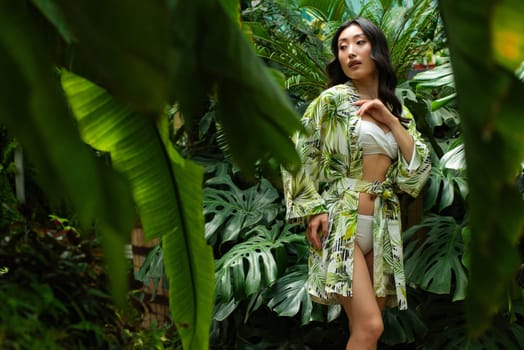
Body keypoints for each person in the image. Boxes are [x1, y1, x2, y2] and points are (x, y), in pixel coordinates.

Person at [281, 17, 431, 349]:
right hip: (342, 221)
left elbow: (417, 173)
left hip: (382, 227)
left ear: (376, 49)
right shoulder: (332, 101)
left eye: (359, 42)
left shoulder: (399, 112)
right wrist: (312, 210)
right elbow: (296, 153)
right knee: (370, 327)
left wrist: (389, 120)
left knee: (364, 332)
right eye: (342, 46)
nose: (350, 52)